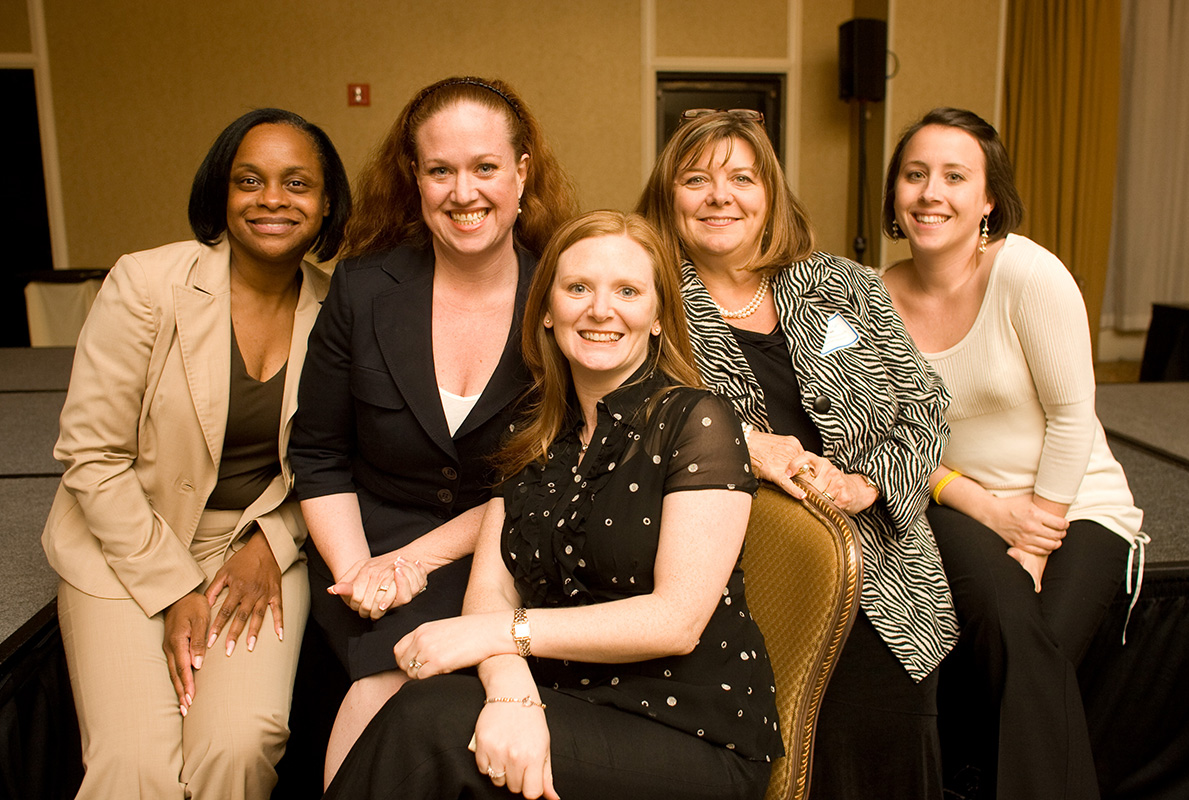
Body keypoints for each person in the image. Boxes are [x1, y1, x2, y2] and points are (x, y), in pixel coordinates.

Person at [324, 209, 782, 800]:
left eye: (627, 290)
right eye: (577, 288)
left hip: (689, 733)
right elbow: (489, 592)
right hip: (564, 702)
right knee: (424, 708)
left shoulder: (698, 421)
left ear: (659, 316)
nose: (600, 309)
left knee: (428, 724)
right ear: (546, 309)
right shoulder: (535, 435)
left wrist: (491, 637)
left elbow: (677, 621)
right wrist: (511, 693)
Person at [636, 110, 957, 799]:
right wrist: (742, 446)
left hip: (887, 580)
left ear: (770, 195)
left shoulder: (843, 285)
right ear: (669, 198)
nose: (720, 196)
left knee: (893, 760)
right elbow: (626, 418)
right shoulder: (649, 302)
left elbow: (925, 406)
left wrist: (867, 485)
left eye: (741, 178)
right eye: (696, 180)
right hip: (749, 585)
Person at [40, 108, 351, 800]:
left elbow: (340, 465)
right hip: (125, 543)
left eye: (297, 183)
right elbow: (91, 456)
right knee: (135, 765)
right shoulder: (147, 285)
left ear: (327, 204)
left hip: (254, 546)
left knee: (238, 747)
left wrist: (273, 541)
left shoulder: (342, 311)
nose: (273, 199)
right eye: (251, 180)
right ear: (222, 192)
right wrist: (175, 586)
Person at [288, 75, 577, 784]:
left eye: (484, 167)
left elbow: (555, 477)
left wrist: (414, 564)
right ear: (413, 178)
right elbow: (319, 454)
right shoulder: (362, 289)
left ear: (521, 174)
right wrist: (359, 571)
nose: (464, 191)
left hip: (508, 551)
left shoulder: (565, 295)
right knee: (385, 685)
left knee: (408, 692)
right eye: (440, 170)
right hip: (366, 542)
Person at [880, 107, 1146, 800]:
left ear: (989, 199)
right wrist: (979, 504)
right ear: (895, 194)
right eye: (915, 175)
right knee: (1010, 640)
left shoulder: (1030, 274)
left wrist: (1032, 545)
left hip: (1075, 501)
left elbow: (1071, 414)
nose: (931, 192)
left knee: (1034, 646)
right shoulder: (870, 300)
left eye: (954, 176)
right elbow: (876, 432)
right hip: (963, 501)